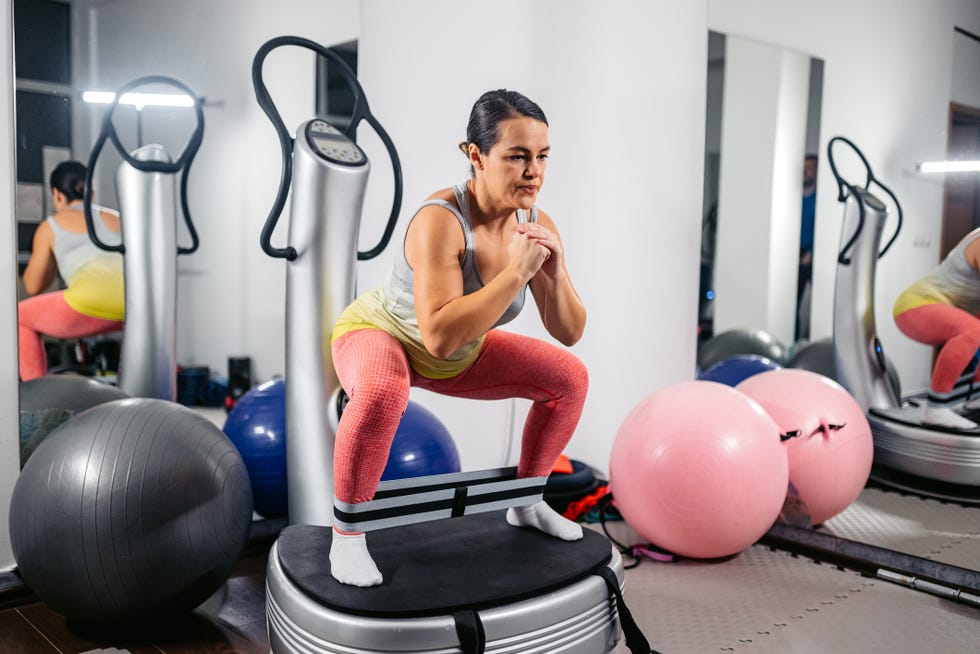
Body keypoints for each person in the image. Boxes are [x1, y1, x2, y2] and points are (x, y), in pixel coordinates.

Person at [328, 89, 589, 587]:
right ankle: (348, 535)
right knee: (384, 390)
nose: (534, 171)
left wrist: (552, 273)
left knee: (568, 379)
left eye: (542, 157)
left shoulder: (536, 223)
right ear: (476, 156)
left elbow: (570, 332)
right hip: (381, 334)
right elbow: (439, 337)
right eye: (517, 156)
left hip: (460, 350)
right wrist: (515, 275)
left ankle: (527, 502)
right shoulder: (439, 221)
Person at [19, 161, 124, 381]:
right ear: (91, 191)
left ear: (57, 195)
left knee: (19, 316)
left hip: (89, 307)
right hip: (133, 308)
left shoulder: (51, 226)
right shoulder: (116, 217)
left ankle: (37, 404)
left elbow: (33, 286)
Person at [893, 227, 980, 430]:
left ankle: (977, 395)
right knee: (972, 331)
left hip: (945, 308)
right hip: (915, 306)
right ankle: (936, 409)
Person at [796, 154, 818, 340]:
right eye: (804, 168)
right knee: (793, 303)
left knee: (818, 302)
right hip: (795, 254)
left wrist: (811, 253)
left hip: (813, 254)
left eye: (810, 169)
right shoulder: (793, 198)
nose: (806, 172)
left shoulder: (819, 200)